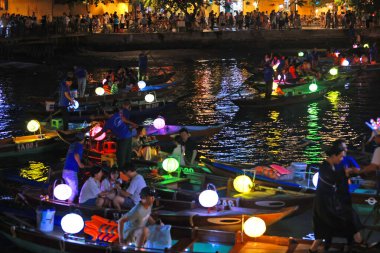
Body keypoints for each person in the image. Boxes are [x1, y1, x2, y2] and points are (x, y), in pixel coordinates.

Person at [309, 142, 363, 253]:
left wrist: (350, 173)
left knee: (323, 229)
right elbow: (333, 177)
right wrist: (345, 172)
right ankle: (359, 243)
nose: (342, 159)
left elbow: (338, 178)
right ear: (334, 155)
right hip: (323, 204)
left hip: (329, 202)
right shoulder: (324, 166)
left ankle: (313, 249)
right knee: (347, 220)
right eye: (341, 156)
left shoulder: (333, 166)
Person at [94, 101, 138, 168]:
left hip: (123, 138)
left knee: (121, 155)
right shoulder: (117, 114)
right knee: (127, 154)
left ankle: (122, 170)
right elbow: (124, 120)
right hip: (129, 136)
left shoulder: (108, 123)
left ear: (106, 113)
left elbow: (101, 132)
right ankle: (128, 168)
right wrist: (133, 124)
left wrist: (93, 137)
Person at [62, 132, 86, 203]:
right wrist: (80, 164)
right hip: (71, 171)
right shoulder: (79, 145)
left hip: (65, 170)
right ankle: (69, 205)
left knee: (68, 189)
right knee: (74, 190)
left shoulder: (72, 145)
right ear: (83, 139)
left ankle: (65, 203)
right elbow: (76, 155)